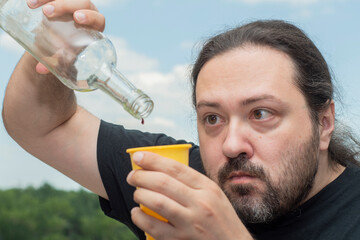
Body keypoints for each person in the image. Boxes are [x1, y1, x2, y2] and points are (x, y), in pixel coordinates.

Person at [2, 0, 360, 239]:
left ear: (324, 122)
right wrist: (52, 46)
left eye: (261, 114)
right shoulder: (178, 180)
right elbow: (42, 126)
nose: (232, 144)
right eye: (213, 118)